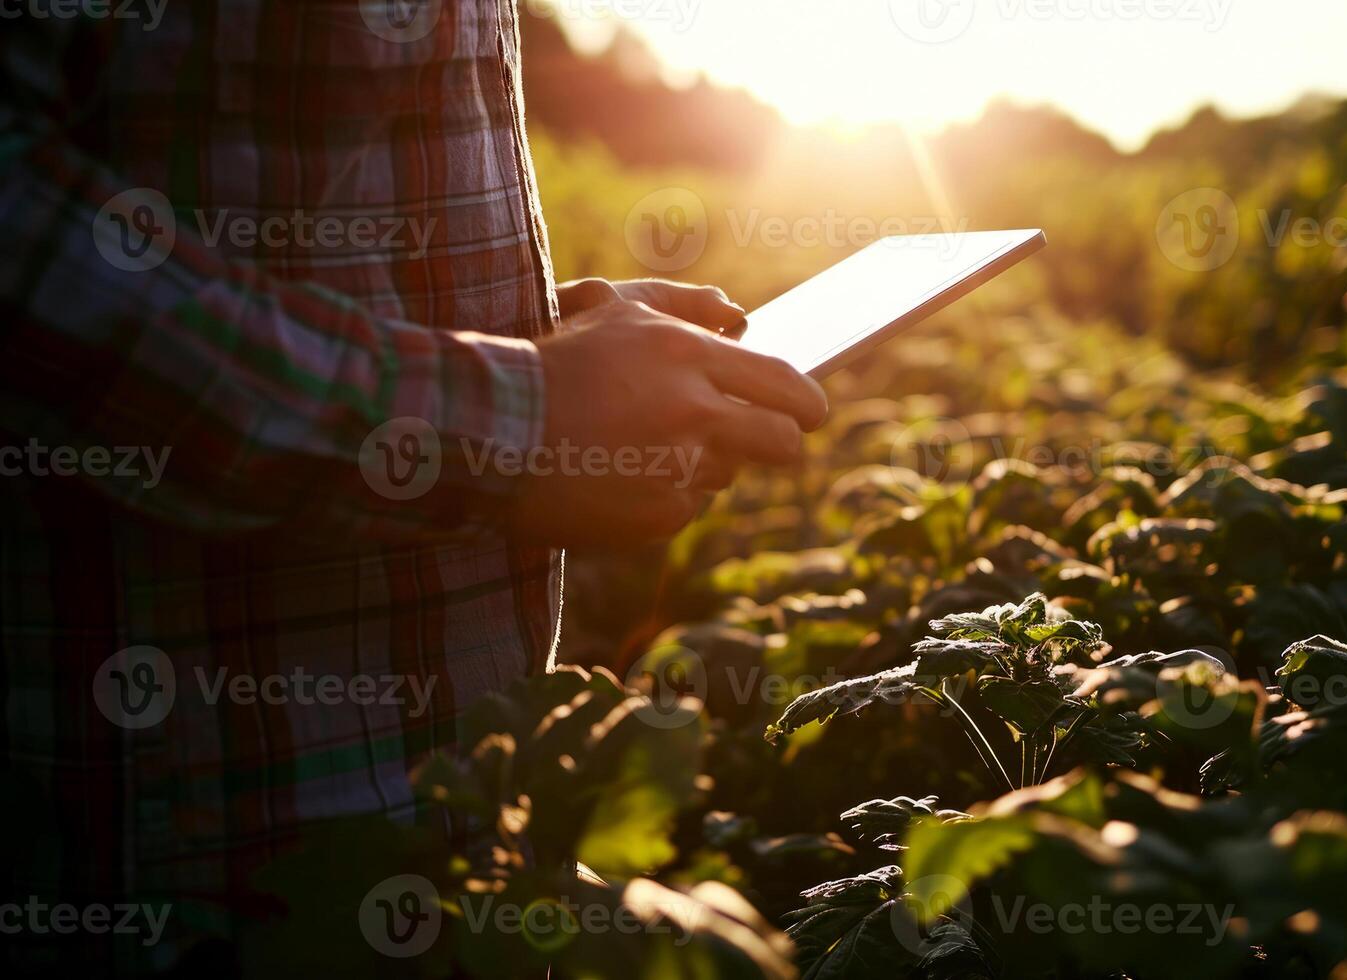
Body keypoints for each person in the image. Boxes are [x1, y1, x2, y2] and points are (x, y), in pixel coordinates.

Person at [0, 2, 826, 974]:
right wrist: (517, 420)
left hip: (449, 853)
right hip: (190, 889)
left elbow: (293, 224)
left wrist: (547, 352)